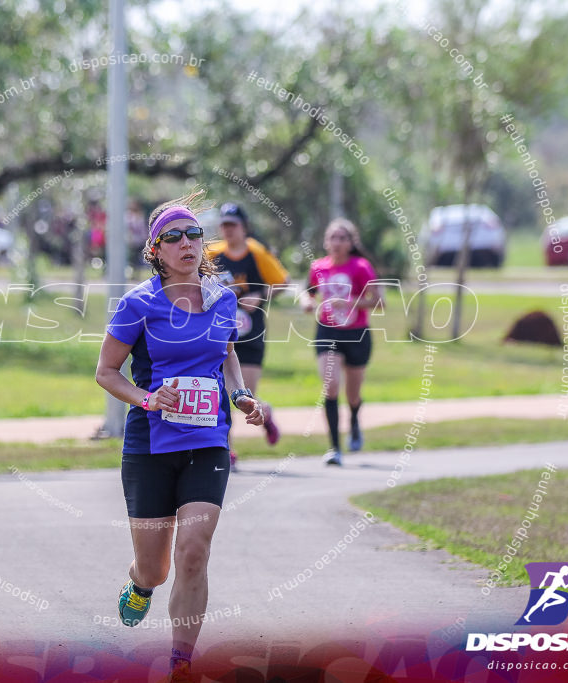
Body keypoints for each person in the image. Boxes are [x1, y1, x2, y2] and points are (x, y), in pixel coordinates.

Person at [95, 189, 265, 683]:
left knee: (194, 548)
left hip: (208, 441)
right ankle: (139, 584)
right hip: (149, 446)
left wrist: (240, 395)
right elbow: (107, 371)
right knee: (156, 569)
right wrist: (149, 399)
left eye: (194, 233)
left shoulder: (221, 298)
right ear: (156, 250)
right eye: (175, 236)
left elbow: (226, 354)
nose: (188, 242)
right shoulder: (138, 304)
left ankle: (181, 663)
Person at [206, 203, 291, 467]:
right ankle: (227, 449)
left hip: (251, 332)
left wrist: (260, 294)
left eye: (233, 225)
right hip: (222, 333)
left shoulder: (256, 252)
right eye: (224, 225)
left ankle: (266, 412)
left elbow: (283, 282)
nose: (228, 230)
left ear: (244, 228)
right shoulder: (212, 253)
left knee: (246, 393)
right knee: (220, 391)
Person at [302, 218, 382, 466]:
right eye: (332, 237)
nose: (336, 243)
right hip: (328, 332)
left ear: (350, 243)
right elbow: (307, 291)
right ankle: (335, 448)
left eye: (342, 238)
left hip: (356, 333)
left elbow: (379, 302)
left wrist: (350, 302)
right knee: (331, 384)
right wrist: (306, 301)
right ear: (326, 242)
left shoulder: (360, 267)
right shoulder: (318, 267)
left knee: (353, 394)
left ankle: (355, 419)